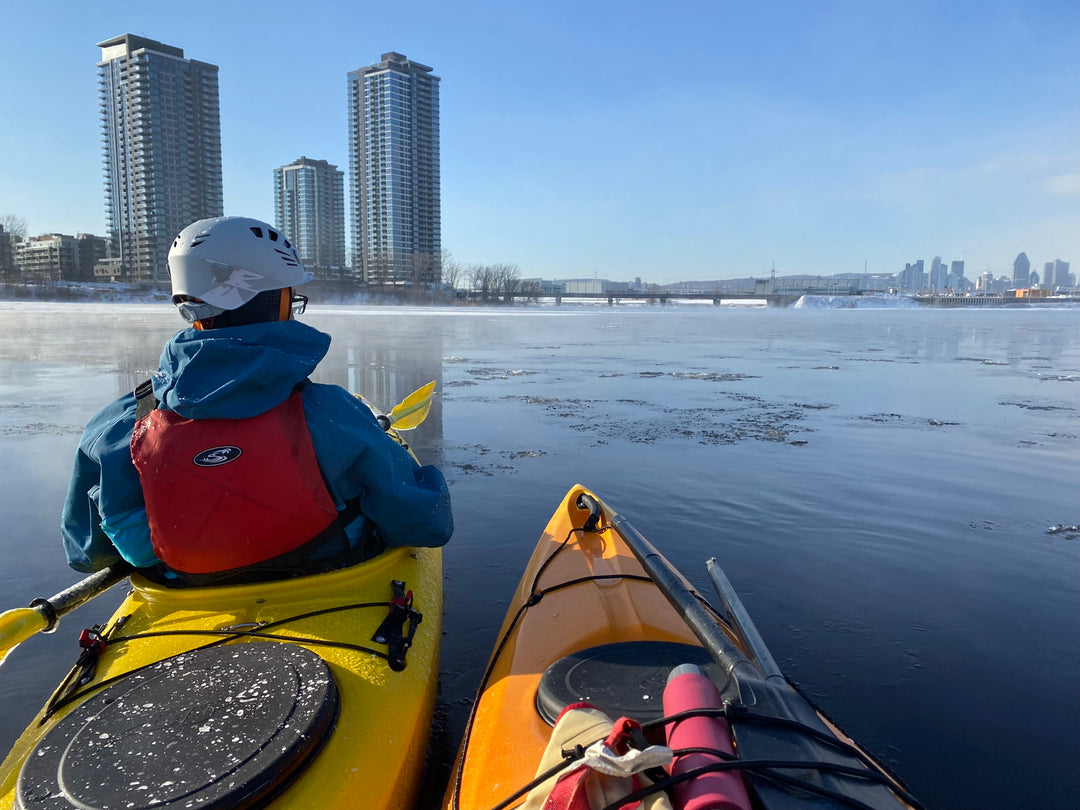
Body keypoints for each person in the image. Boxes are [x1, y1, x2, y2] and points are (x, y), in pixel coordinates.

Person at [61, 216, 453, 584]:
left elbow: (87, 554)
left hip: (183, 591)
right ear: (271, 301)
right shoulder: (330, 412)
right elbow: (424, 523)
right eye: (289, 296)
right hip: (328, 581)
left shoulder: (119, 424)